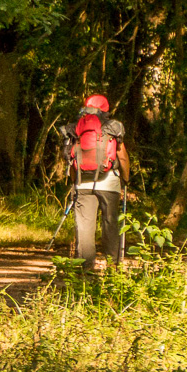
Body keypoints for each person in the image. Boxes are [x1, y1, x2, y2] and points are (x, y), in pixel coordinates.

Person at [66, 93, 132, 269]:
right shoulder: (113, 127)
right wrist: (125, 178)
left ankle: (85, 269)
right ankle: (113, 267)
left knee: (85, 227)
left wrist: (75, 182)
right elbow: (122, 155)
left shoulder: (75, 128)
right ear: (106, 111)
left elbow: (71, 159)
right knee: (110, 223)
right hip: (109, 182)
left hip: (82, 183)